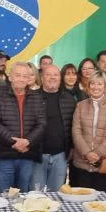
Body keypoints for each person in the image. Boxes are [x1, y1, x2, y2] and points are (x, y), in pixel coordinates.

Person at [0, 62, 46, 192]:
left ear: (29, 79)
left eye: (25, 76)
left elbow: (41, 124)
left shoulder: (36, 97)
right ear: (10, 77)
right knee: (4, 195)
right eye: (18, 75)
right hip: (5, 155)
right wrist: (14, 142)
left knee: (23, 195)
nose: (21, 79)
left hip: (27, 155)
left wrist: (27, 141)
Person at [70, 73, 106, 197]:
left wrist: (98, 154)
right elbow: (76, 131)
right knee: (81, 200)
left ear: (105, 87)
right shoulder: (80, 106)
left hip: (104, 163)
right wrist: (87, 153)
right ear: (88, 87)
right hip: (82, 162)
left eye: (99, 84)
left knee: (101, 202)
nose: (96, 87)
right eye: (92, 84)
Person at [32, 63, 75, 192]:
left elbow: (73, 126)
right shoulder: (32, 97)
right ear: (42, 78)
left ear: (60, 78)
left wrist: (72, 147)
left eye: (55, 75)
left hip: (60, 156)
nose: (52, 77)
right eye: (48, 75)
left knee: (57, 195)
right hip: (37, 156)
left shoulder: (69, 99)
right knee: (35, 195)